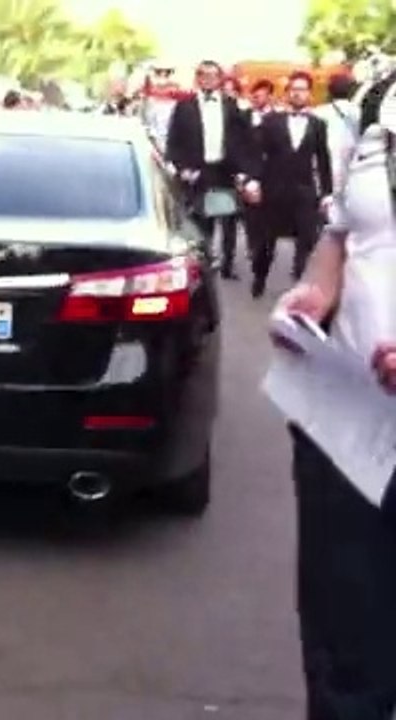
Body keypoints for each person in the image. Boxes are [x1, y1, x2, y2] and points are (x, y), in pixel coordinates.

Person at [274, 68, 396, 719]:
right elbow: (346, 236)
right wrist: (315, 296)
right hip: (348, 421)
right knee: (343, 653)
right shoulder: (383, 107)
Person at [165, 60, 260, 280]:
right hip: (198, 171)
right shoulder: (184, 106)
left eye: (213, 75)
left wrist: (245, 171)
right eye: (204, 75)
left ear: (220, 79)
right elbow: (174, 141)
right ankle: (204, 263)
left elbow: (244, 140)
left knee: (227, 220)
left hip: (224, 170)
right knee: (202, 221)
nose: (208, 79)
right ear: (198, 78)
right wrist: (182, 168)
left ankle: (228, 263)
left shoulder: (230, 105)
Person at [248, 71, 333, 297]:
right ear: (287, 93)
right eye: (293, 89)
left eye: (302, 89)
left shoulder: (318, 125)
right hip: (273, 190)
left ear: (309, 94)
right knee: (266, 244)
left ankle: (301, 287)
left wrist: (327, 193)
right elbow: (256, 154)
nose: (298, 93)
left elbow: (323, 159)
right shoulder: (271, 122)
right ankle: (259, 277)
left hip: (304, 192)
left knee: (307, 241)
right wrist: (253, 180)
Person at [314, 72, 360, 200]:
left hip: (326, 167)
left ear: (330, 91)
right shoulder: (359, 112)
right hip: (352, 166)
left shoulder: (318, 113)